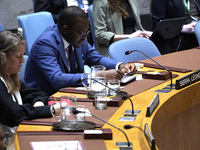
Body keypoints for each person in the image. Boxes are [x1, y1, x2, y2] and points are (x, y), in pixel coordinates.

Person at [24, 6, 137, 96]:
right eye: (81, 33)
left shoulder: (77, 37)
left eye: (87, 32)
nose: (85, 37)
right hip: (45, 99)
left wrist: (120, 66)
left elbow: (96, 58)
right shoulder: (45, 44)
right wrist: (97, 76)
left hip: (72, 94)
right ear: (65, 29)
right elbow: (57, 79)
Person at [0, 31, 62, 138]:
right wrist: (48, 110)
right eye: (19, 56)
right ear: (2, 58)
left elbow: (38, 93)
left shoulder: (10, 76)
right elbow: (14, 113)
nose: (23, 60)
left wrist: (38, 102)